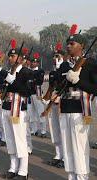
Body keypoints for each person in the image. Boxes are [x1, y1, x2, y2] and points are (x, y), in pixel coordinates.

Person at [56, 24, 96, 180]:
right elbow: (58, 84)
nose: (68, 46)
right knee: (68, 148)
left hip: (80, 111)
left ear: (82, 46)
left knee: (79, 148)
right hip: (65, 109)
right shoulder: (65, 65)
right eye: (68, 43)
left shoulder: (90, 64)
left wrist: (78, 81)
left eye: (72, 44)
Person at [0, 39, 33, 179]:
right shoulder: (7, 72)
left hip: (18, 109)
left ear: (20, 57)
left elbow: (27, 91)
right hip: (6, 107)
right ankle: (13, 167)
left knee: (20, 140)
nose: (11, 58)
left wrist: (13, 80)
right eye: (10, 56)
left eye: (13, 56)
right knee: (10, 140)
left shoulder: (26, 72)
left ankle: (23, 171)